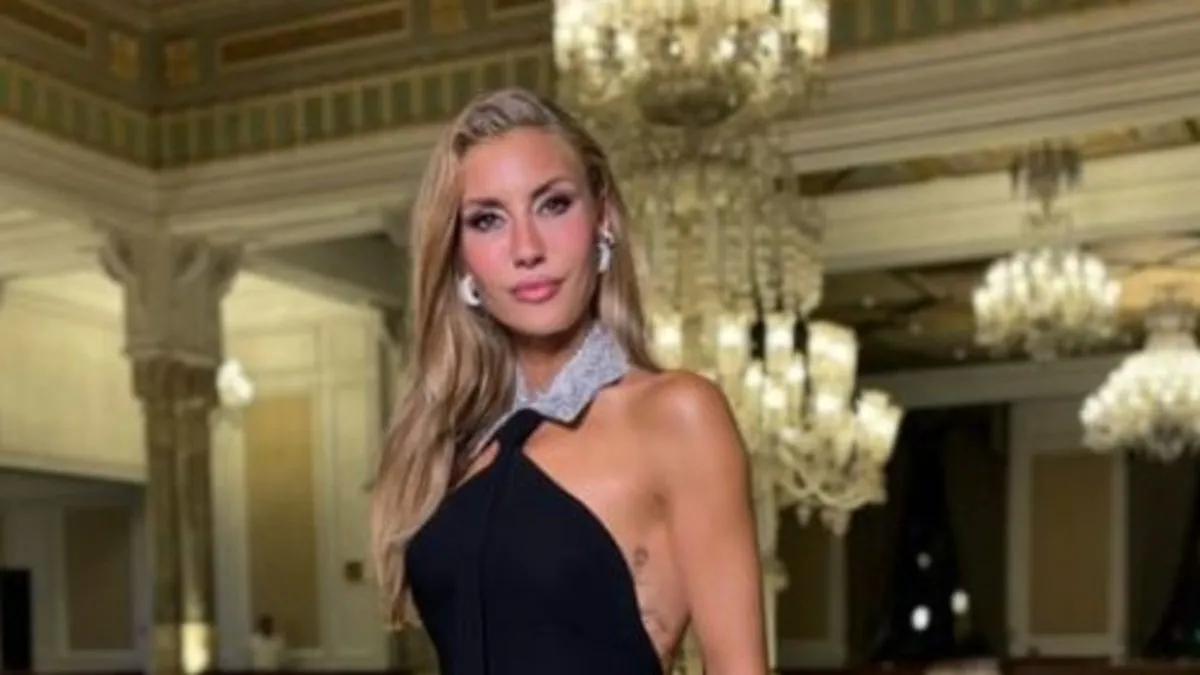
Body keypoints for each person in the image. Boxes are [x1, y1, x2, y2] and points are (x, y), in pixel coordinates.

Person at [370, 87, 766, 675]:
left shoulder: (676, 414)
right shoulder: (454, 445)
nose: (526, 248)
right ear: (458, 256)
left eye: (553, 204)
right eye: (487, 220)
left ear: (602, 218)